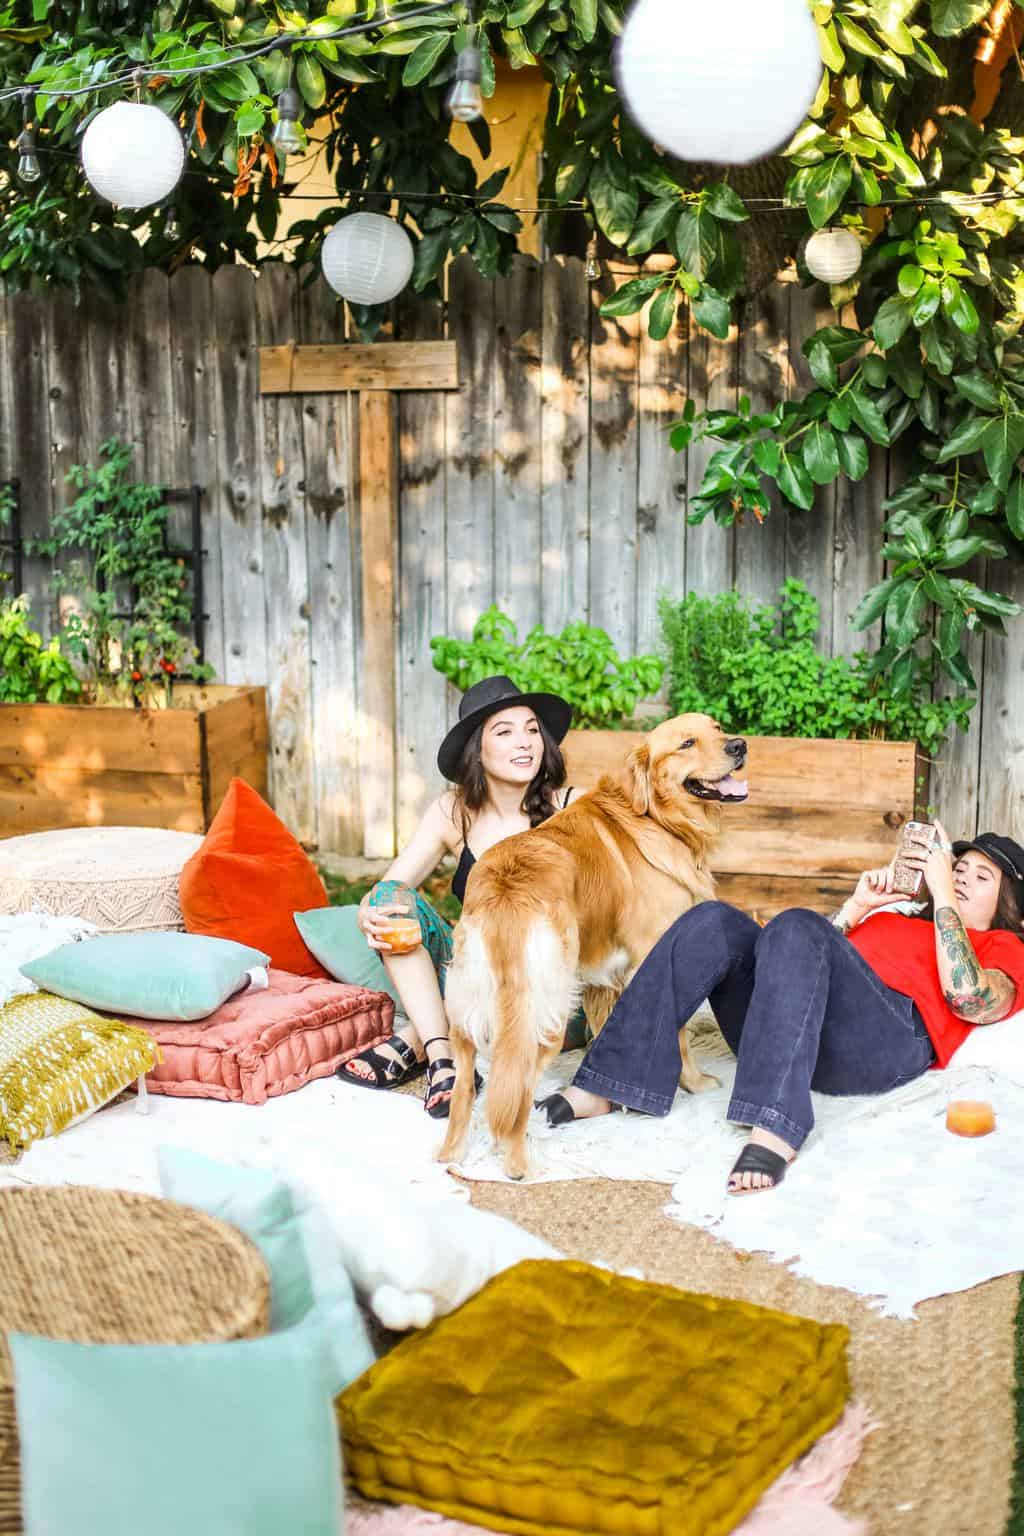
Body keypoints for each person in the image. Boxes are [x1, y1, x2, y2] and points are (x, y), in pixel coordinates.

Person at [539, 824, 1024, 1194]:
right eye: (957, 869)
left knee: (795, 922)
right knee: (714, 920)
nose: (961, 877)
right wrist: (854, 912)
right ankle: (609, 1084)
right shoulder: (895, 916)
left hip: (884, 1041)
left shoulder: (1004, 944)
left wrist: (941, 895)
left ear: (1009, 907)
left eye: (981, 877)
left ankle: (775, 1125)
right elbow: (800, 962)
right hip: (791, 1030)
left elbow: (971, 1000)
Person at [339, 675, 577, 1118]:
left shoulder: (570, 808)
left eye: (531, 729)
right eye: (504, 732)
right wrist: (366, 913)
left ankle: (414, 1040)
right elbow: (391, 886)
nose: (524, 742)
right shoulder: (454, 812)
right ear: (478, 751)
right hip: (474, 976)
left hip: (551, 990)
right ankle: (444, 1060)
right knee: (390, 901)